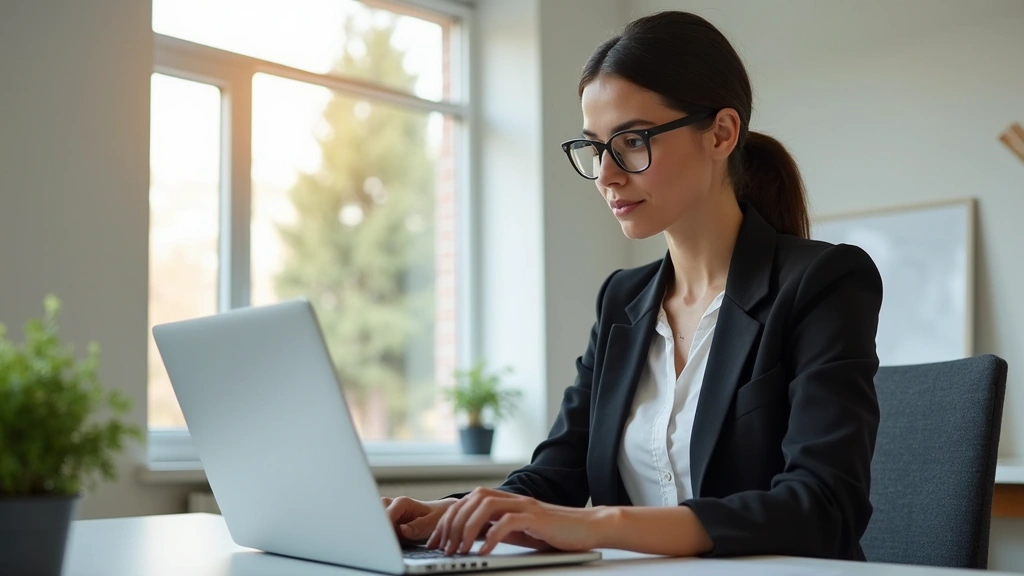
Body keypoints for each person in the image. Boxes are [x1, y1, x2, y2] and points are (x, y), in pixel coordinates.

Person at [382, 11, 882, 561]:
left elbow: (822, 507)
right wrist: (446, 516)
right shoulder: (623, 300)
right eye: (596, 147)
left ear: (721, 133)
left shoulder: (822, 282)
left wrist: (600, 524)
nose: (606, 174)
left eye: (632, 141)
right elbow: (556, 478)